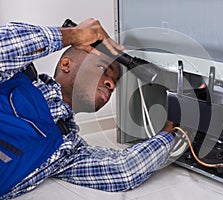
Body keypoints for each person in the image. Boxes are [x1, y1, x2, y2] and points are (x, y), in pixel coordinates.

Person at [0, 18, 175, 199]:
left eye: (114, 82)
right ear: (66, 64)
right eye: (102, 68)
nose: (110, 84)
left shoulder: (66, 149)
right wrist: (73, 35)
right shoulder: (13, 77)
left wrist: (173, 128)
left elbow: (123, 171)